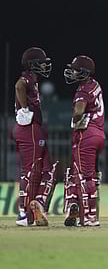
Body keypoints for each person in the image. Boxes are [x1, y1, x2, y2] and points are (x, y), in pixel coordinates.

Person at [14, 47, 57, 227]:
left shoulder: (34, 79)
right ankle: (24, 213)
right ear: (32, 64)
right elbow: (18, 86)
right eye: (41, 62)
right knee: (32, 169)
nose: (44, 66)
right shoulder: (27, 78)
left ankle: (37, 204)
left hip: (35, 127)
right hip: (29, 127)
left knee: (48, 169)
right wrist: (24, 109)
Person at [63, 55, 105, 226]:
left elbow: (79, 111)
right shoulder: (95, 85)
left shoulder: (82, 90)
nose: (71, 73)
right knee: (81, 174)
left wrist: (74, 117)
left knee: (84, 176)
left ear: (83, 72)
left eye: (74, 70)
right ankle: (76, 206)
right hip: (99, 134)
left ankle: (89, 217)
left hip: (85, 135)